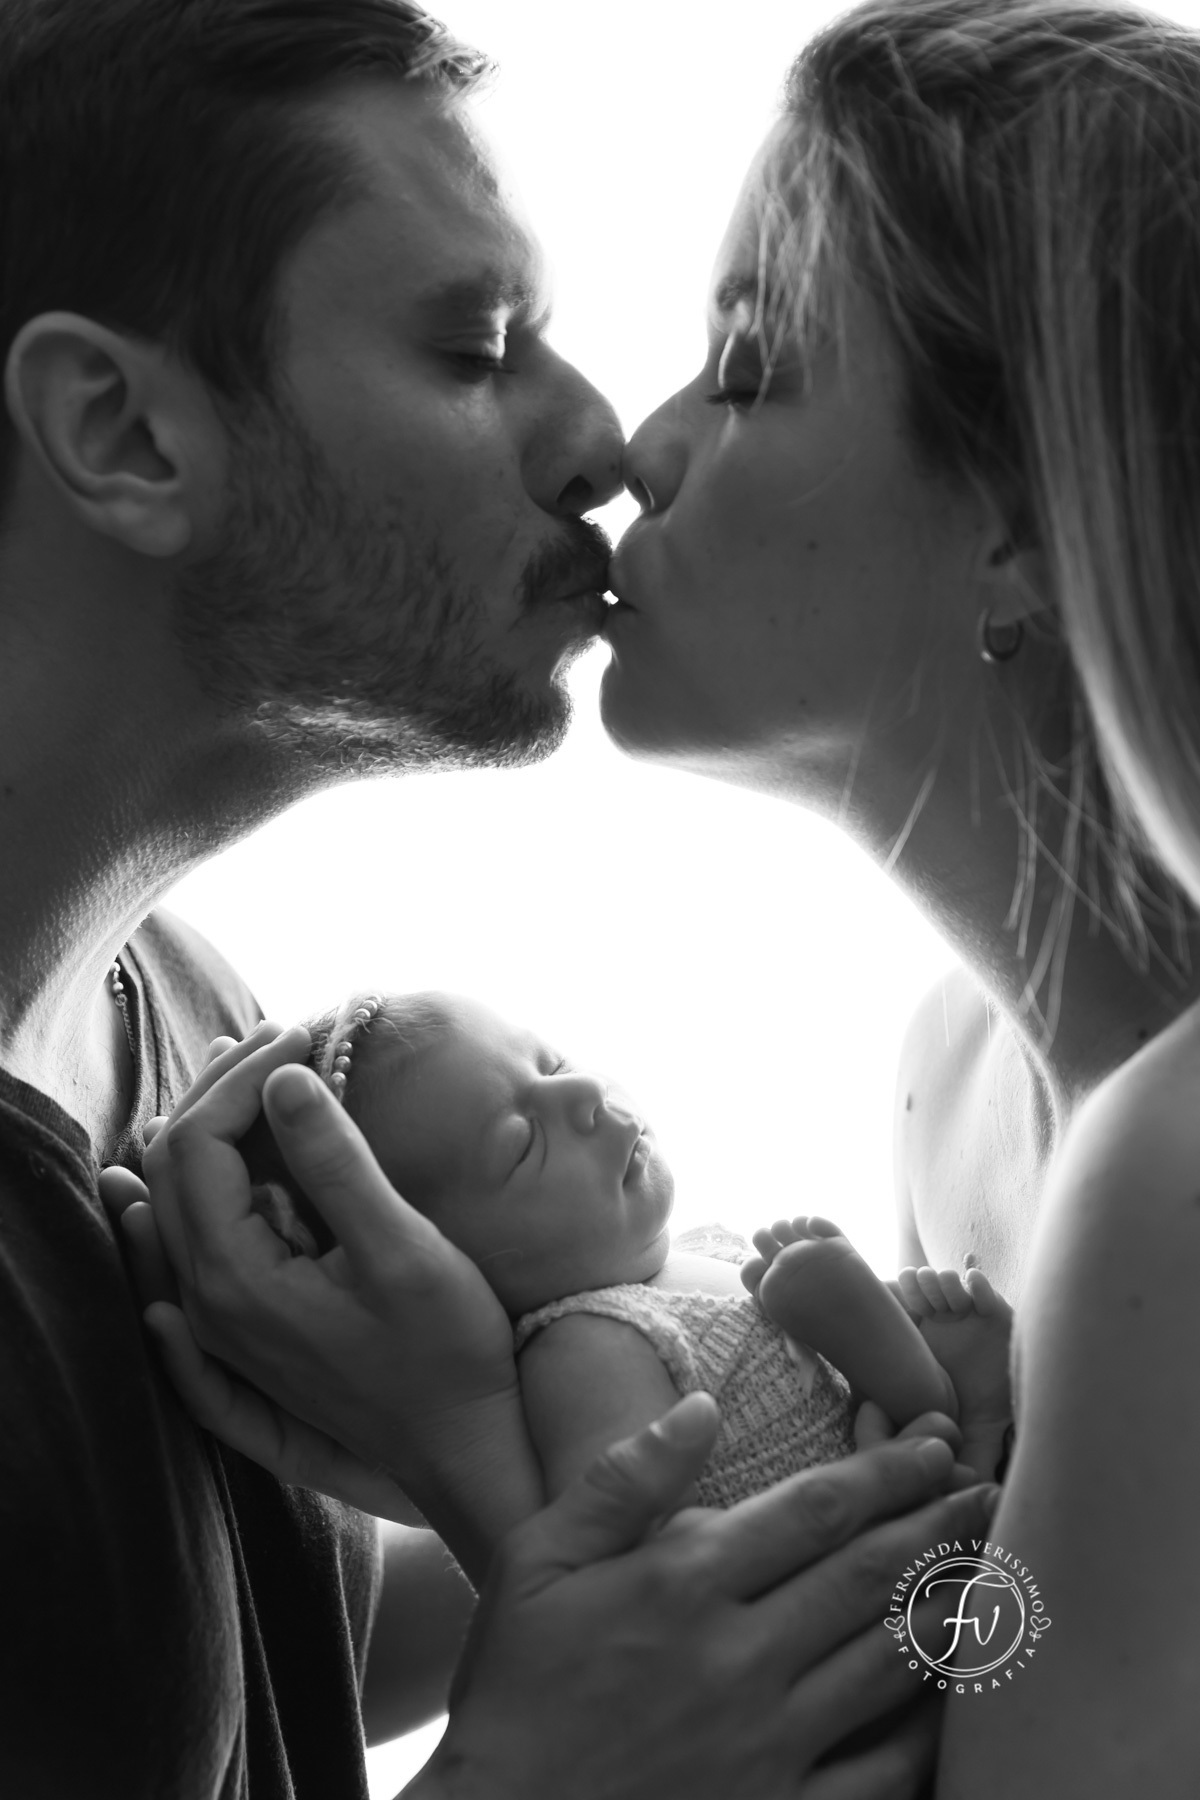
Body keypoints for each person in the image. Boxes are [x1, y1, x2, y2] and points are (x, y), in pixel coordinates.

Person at [135, 0, 1200, 1792]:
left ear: (1020, 524)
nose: (643, 444)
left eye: (754, 367)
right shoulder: (961, 1085)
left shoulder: (1175, 1159)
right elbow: (980, 1636)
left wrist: (488, 1464)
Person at [237, 987, 1012, 1505]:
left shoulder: (704, 1251)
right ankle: (958, 1424)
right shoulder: (590, 1353)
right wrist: (864, 1340)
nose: (582, 1095)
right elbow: (668, 1586)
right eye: (521, 1143)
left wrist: (869, 1348)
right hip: (857, 1621)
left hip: (908, 1537)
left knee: (926, 1431)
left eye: (552, 1063)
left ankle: (945, 1415)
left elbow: (826, 1408)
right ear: (437, 1268)